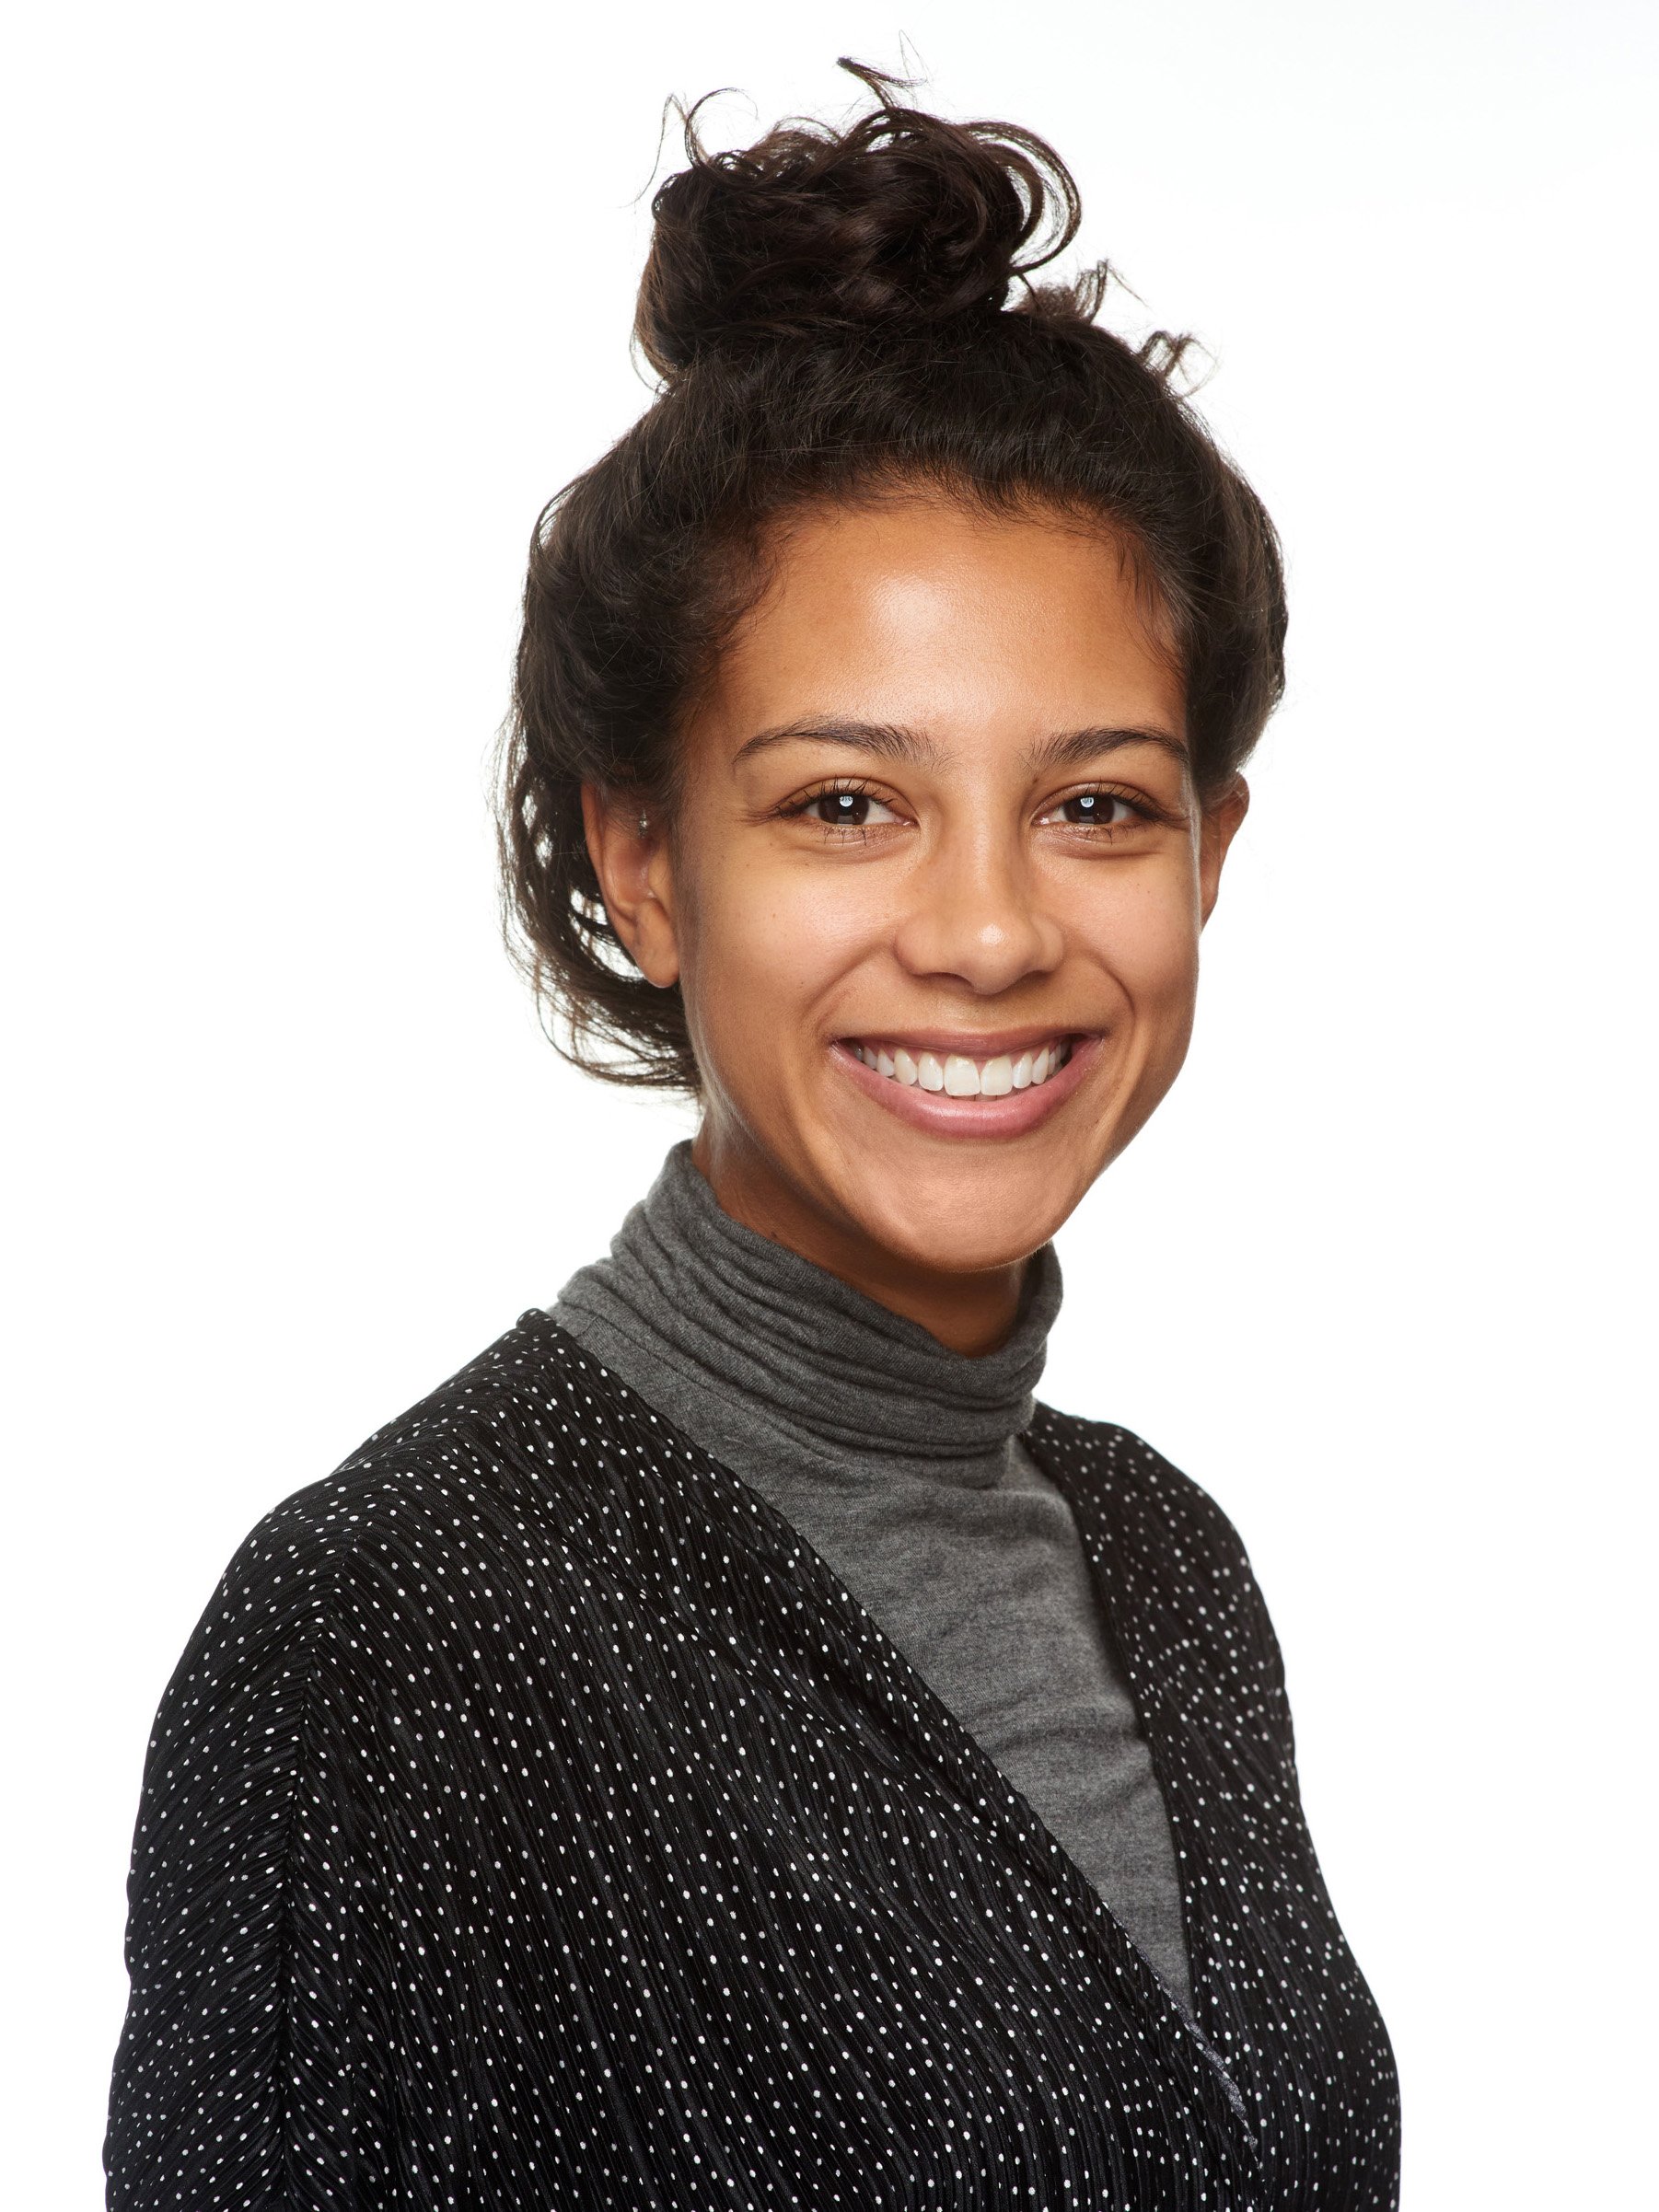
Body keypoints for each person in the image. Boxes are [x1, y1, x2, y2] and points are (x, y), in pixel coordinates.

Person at [106, 66, 1400, 2210]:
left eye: (1094, 804)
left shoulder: (1167, 1569)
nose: (988, 929)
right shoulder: (386, 1638)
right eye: (841, 804)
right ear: (643, 857)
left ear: (1209, 852)